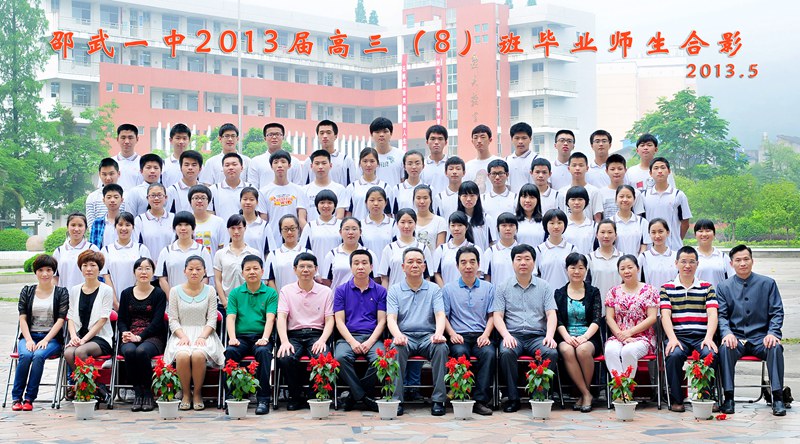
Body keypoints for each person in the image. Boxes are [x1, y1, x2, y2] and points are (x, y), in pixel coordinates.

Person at [717, 245, 786, 416]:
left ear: (752, 261)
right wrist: (727, 333)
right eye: (738, 260)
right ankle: (728, 398)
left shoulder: (767, 283)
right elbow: (721, 316)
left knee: (775, 347)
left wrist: (772, 333)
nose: (742, 263)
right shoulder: (723, 287)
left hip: (761, 339)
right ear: (731, 264)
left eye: (746, 259)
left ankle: (778, 398)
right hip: (736, 339)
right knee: (724, 348)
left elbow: (777, 312)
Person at [492, 244, 558, 413]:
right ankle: (513, 398)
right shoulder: (503, 287)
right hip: (513, 335)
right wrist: (506, 336)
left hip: (537, 336)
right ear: (512, 262)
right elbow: (497, 315)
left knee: (550, 352)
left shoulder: (544, 286)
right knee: (506, 352)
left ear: (534, 262)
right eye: (519, 259)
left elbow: (551, 314)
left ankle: (539, 395)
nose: (523, 262)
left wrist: (550, 336)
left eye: (527, 259)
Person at [387, 248, 449, 416]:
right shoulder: (394, 290)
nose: (414, 265)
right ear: (403, 266)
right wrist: (398, 335)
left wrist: (438, 333)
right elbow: (391, 318)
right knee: (395, 349)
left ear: (424, 266)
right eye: (410, 262)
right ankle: (396, 400)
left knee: (441, 348)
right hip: (405, 336)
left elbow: (440, 314)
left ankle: (438, 400)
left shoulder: (434, 289)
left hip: (428, 337)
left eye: (419, 262)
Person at [660, 246, 718, 413]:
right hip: (679, 336)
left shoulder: (707, 287)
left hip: (702, 336)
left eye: (692, 262)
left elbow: (712, 314)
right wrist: (672, 339)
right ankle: (677, 399)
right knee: (674, 355)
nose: (687, 266)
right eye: (683, 261)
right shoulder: (667, 288)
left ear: (697, 264)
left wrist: (709, 337)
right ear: (676, 263)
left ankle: (706, 397)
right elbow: (665, 316)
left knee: (711, 354)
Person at [163, 256, 226, 411]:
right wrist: (182, 336)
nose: (194, 272)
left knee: (198, 354)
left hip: (204, 333)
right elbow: (173, 319)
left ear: (204, 271)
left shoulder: (210, 290)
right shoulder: (174, 291)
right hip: (181, 334)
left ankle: (197, 393)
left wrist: (202, 336)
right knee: (182, 355)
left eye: (198, 269)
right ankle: (186, 394)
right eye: (190, 269)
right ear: (184, 271)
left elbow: (212, 319)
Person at [276, 253, 335, 410]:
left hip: (316, 334)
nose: (305, 270)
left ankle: (314, 395)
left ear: (316, 269)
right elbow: (281, 317)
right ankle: (295, 396)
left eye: (309, 266)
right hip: (293, 335)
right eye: (301, 266)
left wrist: (322, 340)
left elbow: (330, 320)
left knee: (323, 358)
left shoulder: (326, 291)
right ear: (295, 269)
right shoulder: (286, 290)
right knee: (285, 358)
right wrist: (284, 342)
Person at [442, 245, 496, 416]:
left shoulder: (488, 288)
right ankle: (460, 396)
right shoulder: (448, 289)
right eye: (463, 262)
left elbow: (492, 315)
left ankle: (480, 400)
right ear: (457, 266)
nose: (468, 266)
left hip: (481, 335)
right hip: (459, 335)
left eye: (472, 262)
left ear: (478, 264)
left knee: (489, 353)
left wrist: (486, 335)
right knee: (460, 353)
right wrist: (452, 334)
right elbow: (443, 316)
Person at [11, 255, 68, 411]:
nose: (45, 274)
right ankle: (16, 398)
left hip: (51, 339)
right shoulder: (27, 291)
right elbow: (22, 319)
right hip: (29, 336)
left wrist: (46, 340)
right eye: (41, 270)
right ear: (35, 272)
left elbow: (60, 320)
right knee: (25, 355)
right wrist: (29, 340)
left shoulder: (61, 293)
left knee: (38, 356)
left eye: (49, 270)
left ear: (53, 272)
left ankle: (29, 398)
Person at [224, 254, 279, 415]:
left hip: (261, 337)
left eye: (255, 268)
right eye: (248, 269)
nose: (252, 272)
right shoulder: (235, 293)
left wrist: (265, 338)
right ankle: (233, 397)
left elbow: (270, 318)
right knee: (230, 352)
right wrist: (232, 338)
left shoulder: (270, 293)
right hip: (240, 338)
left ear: (262, 271)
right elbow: (231, 317)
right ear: (242, 273)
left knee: (263, 353)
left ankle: (263, 399)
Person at [334, 249, 387, 412]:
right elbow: (339, 321)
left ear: (371, 267)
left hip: (372, 337)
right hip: (348, 337)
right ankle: (364, 397)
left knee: (382, 359)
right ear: (351, 267)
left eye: (364, 263)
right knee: (340, 357)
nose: (360, 267)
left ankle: (353, 396)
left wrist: (370, 342)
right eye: (356, 263)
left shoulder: (380, 290)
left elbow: (382, 321)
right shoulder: (341, 290)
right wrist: (352, 342)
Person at [117, 257, 167, 412]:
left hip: (153, 336)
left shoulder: (159, 293)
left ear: (153, 272)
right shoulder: (126, 293)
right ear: (134, 272)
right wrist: (125, 333)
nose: (143, 272)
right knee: (130, 351)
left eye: (147, 268)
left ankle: (148, 393)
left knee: (142, 351)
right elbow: (121, 319)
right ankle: (138, 392)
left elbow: (157, 322)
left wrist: (140, 337)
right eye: (140, 268)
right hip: (130, 335)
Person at [64, 250, 115, 401]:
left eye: (93, 265)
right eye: (85, 265)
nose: (89, 269)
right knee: (68, 353)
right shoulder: (75, 290)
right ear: (80, 268)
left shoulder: (106, 290)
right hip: (79, 336)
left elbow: (103, 319)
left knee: (80, 352)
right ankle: (94, 387)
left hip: (100, 338)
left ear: (99, 268)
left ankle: (89, 389)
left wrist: (84, 340)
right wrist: (74, 336)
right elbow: (70, 316)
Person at [555, 253, 602, 412]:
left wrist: (584, 337)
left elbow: (596, 319)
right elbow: (558, 321)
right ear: (566, 269)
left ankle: (584, 393)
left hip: (589, 336)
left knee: (582, 350)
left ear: (586, 270)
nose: (577, 271)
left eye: (581, 268)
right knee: (567, 350)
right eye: (573, 267)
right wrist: (567, 337)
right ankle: (586, 394)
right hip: (566, 336)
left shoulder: (593, 292)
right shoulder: (559, 293)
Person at [604, 255, 659, 377]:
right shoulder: (613, 292)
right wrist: (621, 335)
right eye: (622, 268)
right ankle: (619, 386)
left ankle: (627, 387)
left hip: (643, 337)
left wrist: (629, 333)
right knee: (610, 350)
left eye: (630, 267)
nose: (626, 271)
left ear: (638, 269)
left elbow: (652, 317)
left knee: (628, 351)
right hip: (619, 336)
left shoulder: (650, 290)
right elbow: (609, 317)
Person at [100, 212, 151, 310]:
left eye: (128, 225)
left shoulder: (141, 249)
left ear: (133, 227)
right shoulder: (106, 250)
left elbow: (145, 277)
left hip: (138, 303)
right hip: (113, 305)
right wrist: (116, 304)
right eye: (120, 224)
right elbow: (106, 278)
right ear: (115, 227)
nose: (124, 228)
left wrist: (133, 301)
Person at [256, 150, 309, 241]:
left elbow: (301, 218)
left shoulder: (299, 190)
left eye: (283, 162)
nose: (279, 165)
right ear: (271, 166)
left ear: (289, 165)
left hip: (295, 241)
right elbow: (263, 221)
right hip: (273, 239)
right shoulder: (263, 192)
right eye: (276, 162)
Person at [155, 212, 213, 296]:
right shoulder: (166, 251)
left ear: (193, 228)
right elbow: (162, 279)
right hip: (173, 300)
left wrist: (195, 297)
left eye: (186, 225)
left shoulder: (202, 250)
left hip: (197, 300)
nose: (183, 228)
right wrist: (172, 298)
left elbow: (206, 278)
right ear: (174, 228)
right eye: (179, 225)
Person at [213, 215, 260, 314]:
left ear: (245, 228)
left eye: (239, 228)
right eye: (233, 228)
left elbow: (258, 279)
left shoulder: (254, 253)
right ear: (228, 230)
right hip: (226, 303)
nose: (236, 232)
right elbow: (217, 280)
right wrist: (225, 303)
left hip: (249, 303)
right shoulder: (220, 254)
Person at [642, 157, 692, 251]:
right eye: (656, 168)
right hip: (650, 249)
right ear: (650, 173)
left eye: (663, 167)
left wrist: (676, 239)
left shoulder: (678, 195)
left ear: (669, 171)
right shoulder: (644, 196)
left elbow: (685, 223)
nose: (659, 171)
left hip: (674, 249)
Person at [378, 209, 433, 289]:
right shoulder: (389, 248)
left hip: (419, 294)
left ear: (415, 224)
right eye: (402, 222)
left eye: (410, 222)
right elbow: (384, 278)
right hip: (395, 294)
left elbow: (427, 277)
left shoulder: (423, 248)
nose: (406, 226)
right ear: (397, 224)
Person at [321, 217, 377, 290]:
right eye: (347, 229)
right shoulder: (332, 254)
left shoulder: (369, 253)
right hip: (339, 296)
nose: (350, 232)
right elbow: (326, 280)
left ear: (360, 232)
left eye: (354, 229)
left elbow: (376, 278)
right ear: (340, 232)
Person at [247, 122, 303, 189]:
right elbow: (253, 188)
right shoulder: (256, 162)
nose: (274, 137)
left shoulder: (294, 161)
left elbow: (298, 187)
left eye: (277, 134)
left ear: (283, 137)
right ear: (265, 138)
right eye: (270, 134)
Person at [53, 213, 100, 290]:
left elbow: (98, 275)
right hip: (64, 295)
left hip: (87, 294)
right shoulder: (59, 251)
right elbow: (55, 277)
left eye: (80, 225)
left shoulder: (92, 249)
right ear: (67, 227)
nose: (76, 229)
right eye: (73, 225)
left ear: (85, 228)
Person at [265, 215, 312, 293]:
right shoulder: (273, 255)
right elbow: (270, 280)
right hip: (281, 298)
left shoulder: (308, 253)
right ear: (280, 231)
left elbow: (312, 278)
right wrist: (278, 298)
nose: (289, 232)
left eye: (292, 228)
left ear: (298, 230)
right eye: (285, 229)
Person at [534, 209, 577, 289]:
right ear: (546, 225)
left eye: (559, 223)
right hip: (545, 294)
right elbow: (534, 275)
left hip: (567, 294)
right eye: (552, 223)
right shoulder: (539, 250)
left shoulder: (572, 249)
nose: (556, 226)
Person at [134, 183, 175, 262]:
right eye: (153, 195)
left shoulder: (173, 218)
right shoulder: (140, 220)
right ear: (147, 198)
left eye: (159, 195)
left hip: (169, 264)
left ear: (166, 197)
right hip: (148, 266)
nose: (156, 198)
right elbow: (137, 246)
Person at [557, 152, 603, 222]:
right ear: (569, 168)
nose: (577, 168)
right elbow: (560, 216)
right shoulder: (561, 192)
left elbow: (597, 217)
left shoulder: (594, 191)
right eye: (574, 165)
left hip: (588, 228)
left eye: (581, 165)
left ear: (587, 168)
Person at [302, 149, 347, 221]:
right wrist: (310, 228)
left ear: (330, 165)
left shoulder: (340, 189)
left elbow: (340, 215)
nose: (320, 167)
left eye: (324, 163)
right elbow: (302, 218)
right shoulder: (304, 190)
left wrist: (328, 227)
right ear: (311, 166)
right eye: (317, 163)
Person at [303, 120, 352, 186]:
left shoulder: (346, 160)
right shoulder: (309, 161)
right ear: (318, 136)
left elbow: (351, 187)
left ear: (335, 136)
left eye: (328, 133)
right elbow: (304, 186)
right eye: (321, 133)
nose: (325, 136)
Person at [345, 148, 388, 221]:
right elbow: (348, 213)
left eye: (372, 161)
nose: (368, 165)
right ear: (360, 163)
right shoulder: (352, 187)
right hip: (358, 227)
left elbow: (389, 213)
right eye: (365, 161)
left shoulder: (385, 187)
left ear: (377, 163)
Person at [433, 211, 474, 287]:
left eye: (460, 225)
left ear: (467, 227)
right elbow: (437, 274)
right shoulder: (441, 249)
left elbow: (477, 273)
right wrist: (445, 290)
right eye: (453, 225)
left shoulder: (474, 249)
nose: (456, 229)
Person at [587, 220, 622, 307]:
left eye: (610, 232)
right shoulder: (589, 258)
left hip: (618, 307)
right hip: (596, 307)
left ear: (615, 235)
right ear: (597, 235)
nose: (606, 236)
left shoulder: (622, 258)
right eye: (602, 232)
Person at [361, 117, 404, 188]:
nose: (381, 135)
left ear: (391, 133)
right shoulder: (366, 157)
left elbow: (403, 180)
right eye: (377, 132)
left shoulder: (401, 155)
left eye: (385, 131)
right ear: (371, 134)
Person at [209, 152, 251, 223]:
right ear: (222, 169)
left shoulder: (250, 188)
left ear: (242, 168)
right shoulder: (213, 190)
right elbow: (209, 215)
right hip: (221, 229)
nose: (231, 168)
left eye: (234, 164)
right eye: (227, 165)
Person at [599, 154, 644, 219]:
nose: (616, 172)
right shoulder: (600, 193)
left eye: (620, 169)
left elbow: (639, 218)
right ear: (606, 171)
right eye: (612, 169)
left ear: (625, 170)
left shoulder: (636, 193)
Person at [186, 185, 226, 258]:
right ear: (190, 201)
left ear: (208, 201)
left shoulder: (218, 222)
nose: (199, 201)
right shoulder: (185, 222)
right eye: (196, 198)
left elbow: (222, 249)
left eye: (203, 198)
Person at [638, 218, 678, 290]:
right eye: (653, 232)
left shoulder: (676, 256)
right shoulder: (644, 257)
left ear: (668, 233)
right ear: (649, 234)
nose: (657, 236)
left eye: (660, 231)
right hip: (650, 296)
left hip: (672, 296)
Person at [482, 159, 517, 240]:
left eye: (500, 173)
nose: (497, 177)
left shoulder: (515, 198)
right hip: (489, 242)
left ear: (507, 174)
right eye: (494, 174)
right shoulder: (482, 199)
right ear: (488, 175)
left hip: (510, 242)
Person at [612, 185, 650, 256]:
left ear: (634, 200)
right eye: (621, 196)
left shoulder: (642, 222)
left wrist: (636, 261)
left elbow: (644, 247)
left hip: (636, 262)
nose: (625, 200)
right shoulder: (610, 222)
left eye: (629, 197)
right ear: (616, 199)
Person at [302, 190, 342, 256]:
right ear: (317, 205)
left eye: (329, 203)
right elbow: (303, 250)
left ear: (335, 206)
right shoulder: (310, 226)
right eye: (322, 202)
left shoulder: (341, 225)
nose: (326, 206)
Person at [482, 212, 518, 285]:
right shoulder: (490, 252)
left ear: (516, 228)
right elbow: (487, 279)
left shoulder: (523, 251)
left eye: (511, 225)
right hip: (497, 291)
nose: (508, 229)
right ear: (497, 228)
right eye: (504, 225)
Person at [239, 187, 275, 260]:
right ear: (240, 201)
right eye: (245, 199)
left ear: (257, 202)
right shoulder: (234, 225)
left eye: (251, 199)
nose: (248, 202)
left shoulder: (264, 226)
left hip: (258, 265)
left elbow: (270, 252)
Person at [694, 219, 732, 287]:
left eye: (708, 231)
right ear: (695, 234)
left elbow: (732, 280)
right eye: (700, 231)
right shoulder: (691, 257)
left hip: (719, 294)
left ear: (714, 234)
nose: (704, 234)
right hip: (696, 294)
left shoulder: (723, 257)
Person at [86, 157, 122, 228]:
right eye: (104, 174)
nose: (108, 178)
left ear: (118, 173)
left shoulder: (126, 196)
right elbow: (91, 225)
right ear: (99, 174)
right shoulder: (92, 198)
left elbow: (128, 221)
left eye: (111, 174)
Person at [464, 124, 501, 192]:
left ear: (490, 140)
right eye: (475, 137)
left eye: (482, 137)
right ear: (472, 141)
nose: (479, 141)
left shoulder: (500, 162)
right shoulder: (467, 166)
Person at [457, 181, 492, 252]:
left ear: (478, 196)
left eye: (472, 195)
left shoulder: (486, 218)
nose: (468, 199)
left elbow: (492, 243)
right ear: (459, 197)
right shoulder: (456, 219)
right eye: (465, 196)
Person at [359, 187, 394, 258]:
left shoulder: (393, 224)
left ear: (386, 203)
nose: (376, 203)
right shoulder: (360, 225)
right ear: (366, 203)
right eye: (372, 200)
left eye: (380, 200)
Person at [166, 150, 204, 214]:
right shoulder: (171, 191)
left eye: (194, 165)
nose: (190, 168)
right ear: (181, 168)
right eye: (186, 165)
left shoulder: (205, 191)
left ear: (200, 168)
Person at [411, 185, 447, 251]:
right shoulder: (409, 221)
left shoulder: (440, 221)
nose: (422, 201)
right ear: (414, 200)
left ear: (430, 200)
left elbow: (439, 250)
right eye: (418, 198)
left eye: (425, 198)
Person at [562, 186, 596, 255]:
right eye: (573, 199)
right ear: (567, 202)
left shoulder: (593, 226)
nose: (576, 202)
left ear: (586, 202)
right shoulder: (562, 225)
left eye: (580, 199)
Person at [88, 184, 124, 249]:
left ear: (121, 200)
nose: (112, 200)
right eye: (109, 197)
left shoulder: (127, 222)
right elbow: (93, 246)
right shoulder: (97, 223)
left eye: (116, 197)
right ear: (104, 200)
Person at [505, 122, 536, 193]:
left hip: (530, 199)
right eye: (517, 138)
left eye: (524, 138)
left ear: (530, 139)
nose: (520, 141)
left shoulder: (536, 160)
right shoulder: (506, 161)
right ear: (512, 139)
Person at [113, 124, 144, 193]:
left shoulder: (144, 163)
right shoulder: (110, 162)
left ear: (137, 139)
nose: (127, 141)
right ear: (117, 139)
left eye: (130, 138)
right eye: (123, 138)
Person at [160, 124, 191, 188]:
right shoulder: (163, 165)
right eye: (178, 138)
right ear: (171, 140)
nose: (181, 141)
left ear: (189, 140)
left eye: (184, 138)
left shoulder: (196, 165)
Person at [420, 125, 450, 192]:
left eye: (440, 139)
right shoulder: (421, 166)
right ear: (427, 142)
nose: (436, 142)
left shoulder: (452, 165)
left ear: (445, 142)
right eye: (433, 139)